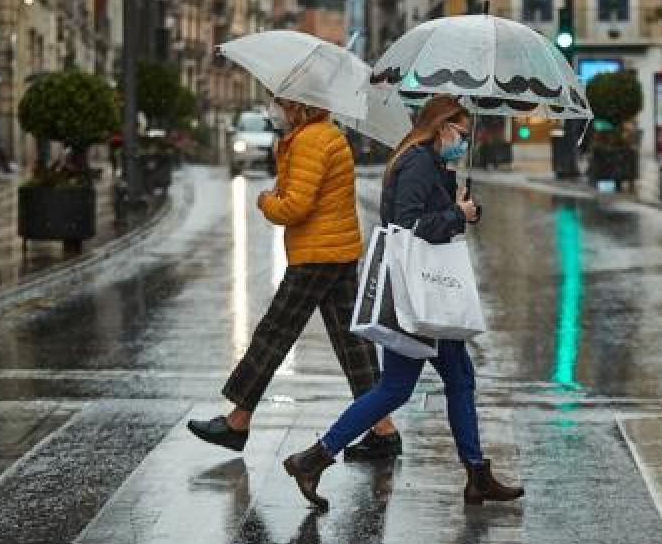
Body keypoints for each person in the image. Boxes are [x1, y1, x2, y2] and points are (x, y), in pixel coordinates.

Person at [282, 94, 524, 511]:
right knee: (398, 387)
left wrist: (459, 205)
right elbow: (405, 226)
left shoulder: (430, 163)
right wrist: (455, 215)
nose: (463, 143)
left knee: (457, 379)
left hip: (427, 296)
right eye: (461, 134)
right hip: (417, 298)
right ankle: (314, 458)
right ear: (440, 127)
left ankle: (475, 473)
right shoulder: (415, 163)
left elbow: (428, 216)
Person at [187, 98, 400, 459]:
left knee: (274, 333)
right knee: (353, 344)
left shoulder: (310, 140)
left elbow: (295, 206)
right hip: (338, 250)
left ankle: (237, 422)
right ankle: (384, 429)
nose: (276, 110)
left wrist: (267, 201)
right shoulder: (325, 135)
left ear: (299, 108)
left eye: (282, 104)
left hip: (317, 255)